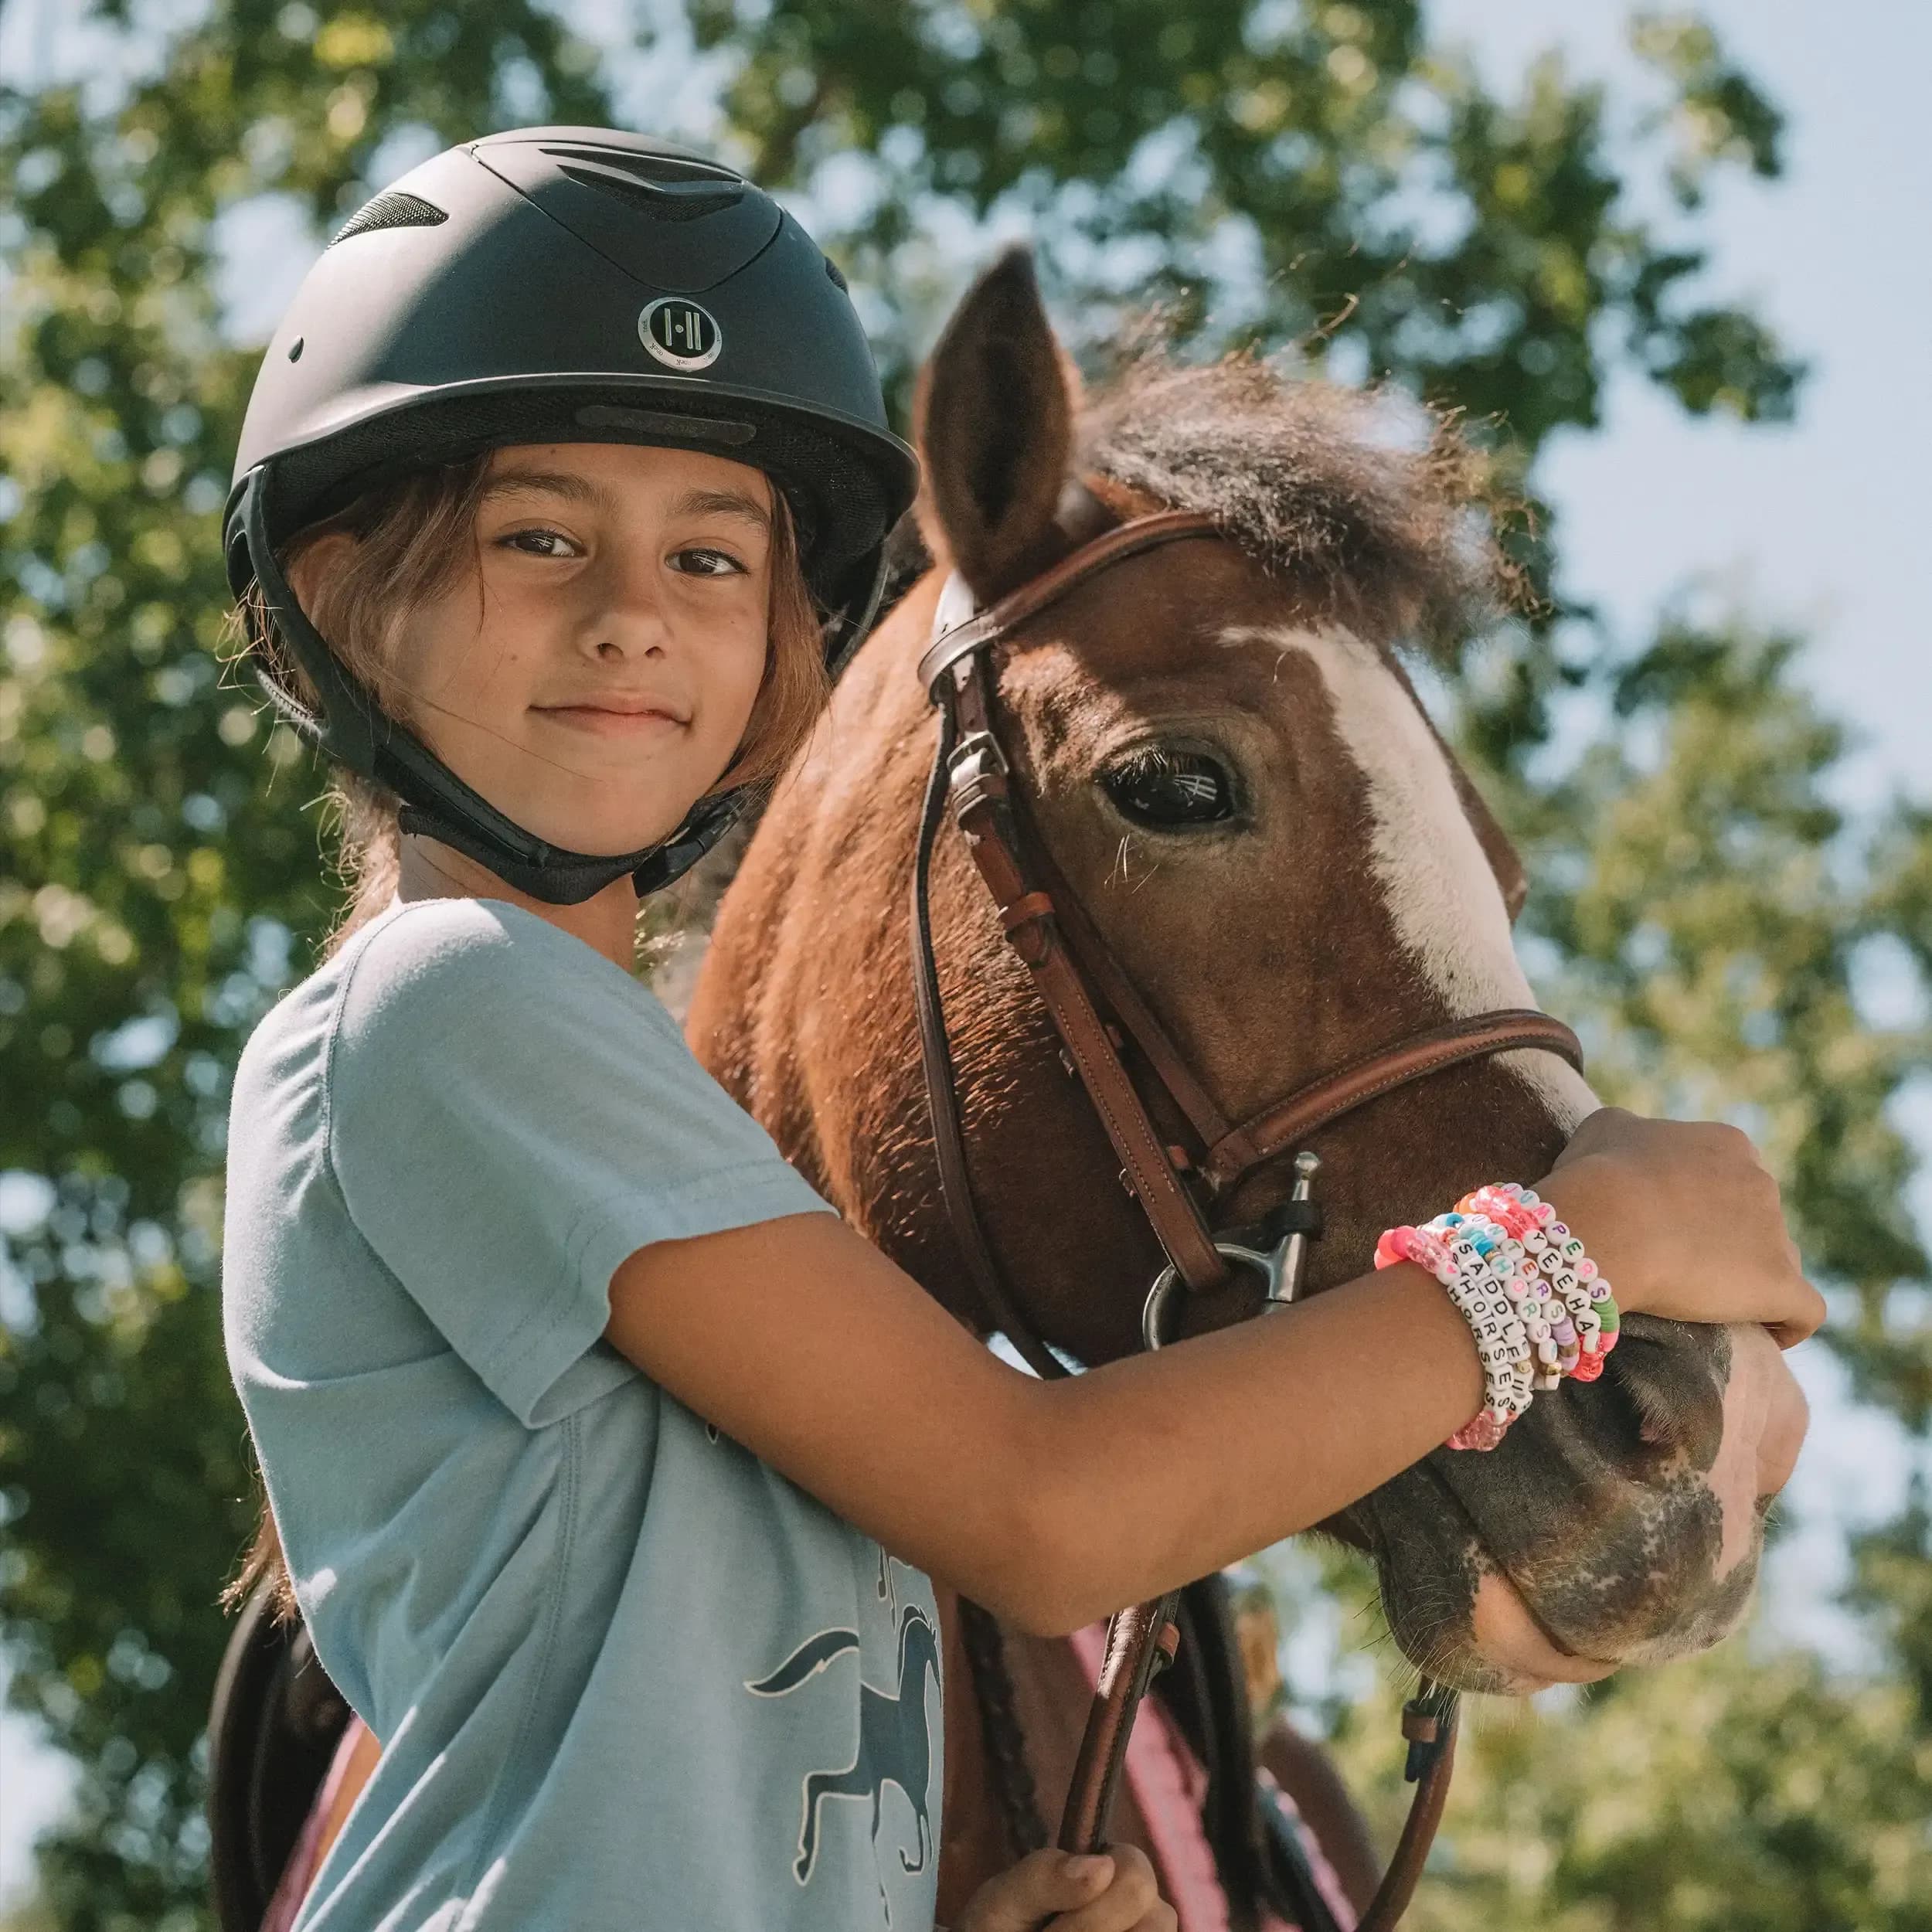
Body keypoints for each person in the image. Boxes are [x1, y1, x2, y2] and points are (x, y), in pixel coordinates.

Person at [217, 128, 1824, 1932]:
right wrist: (1565, 1249)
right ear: (345, 595)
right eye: (539, 536)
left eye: (709, 557)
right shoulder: (450, 994)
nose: (629, 619)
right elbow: (1042, 1507)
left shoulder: (651, 1154)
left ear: (784, 635)